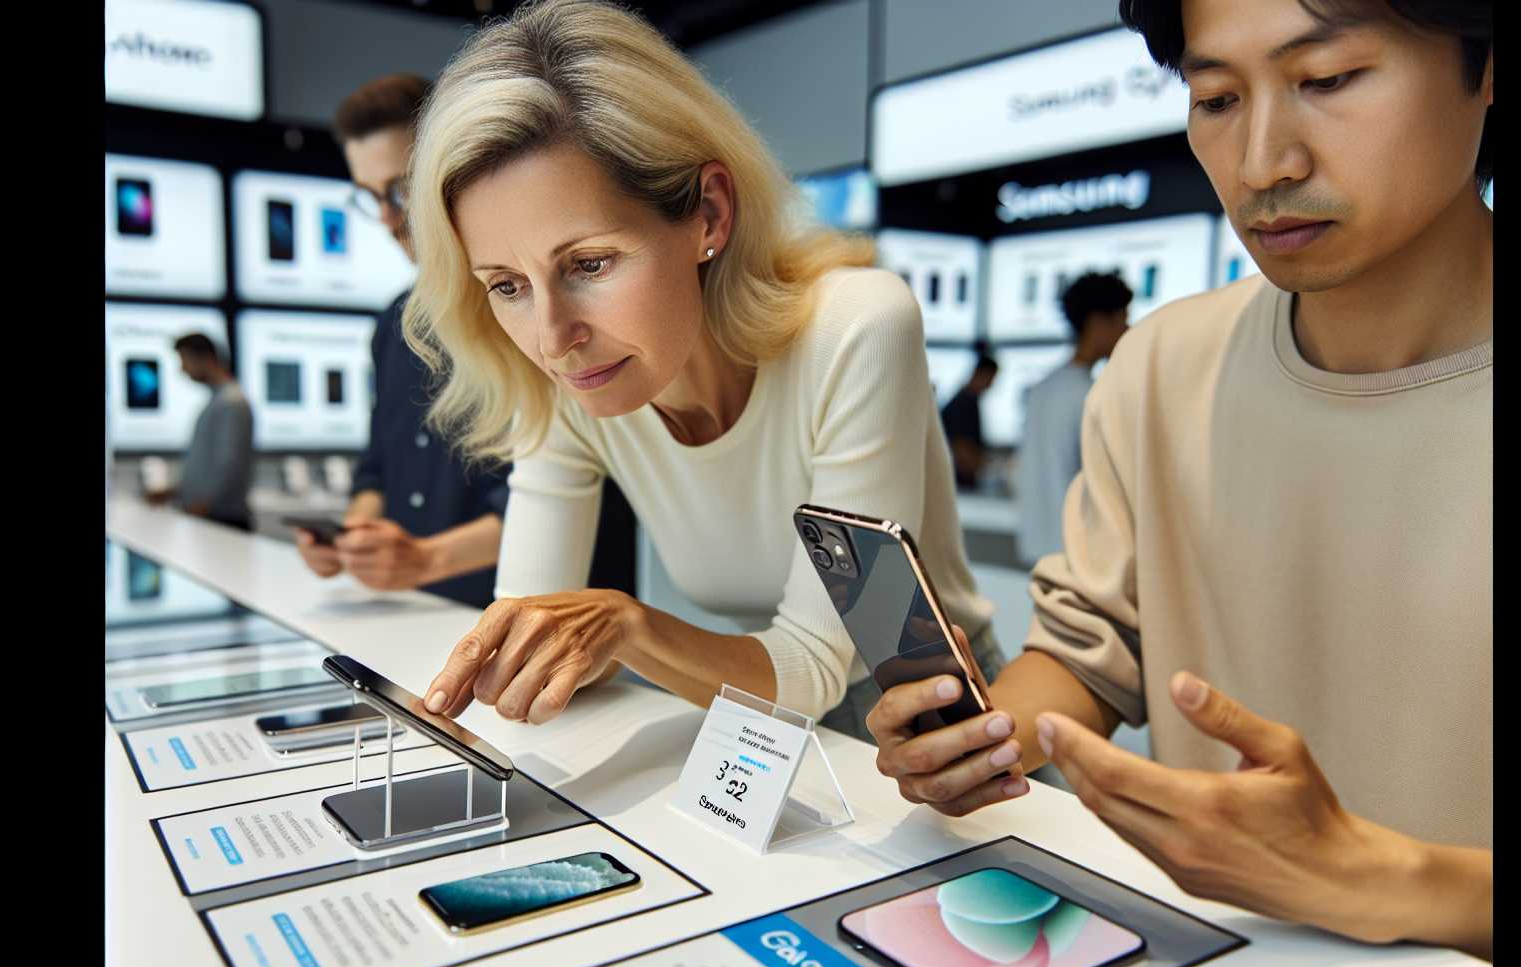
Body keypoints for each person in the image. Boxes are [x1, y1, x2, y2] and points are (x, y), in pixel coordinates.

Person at [865, 0, 1493, 961]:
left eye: (1327, 81)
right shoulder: (1162, 367)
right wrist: (982, 741)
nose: (1262, 163)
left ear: (1484, 69)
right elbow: (1091, 650)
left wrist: (1393, 882)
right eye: (1216, 98)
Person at [404, 0, 999, 734]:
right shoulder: (565, 383)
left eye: (589, 263)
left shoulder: (856, 328)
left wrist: (627, 629)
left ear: (709, 214)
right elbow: (529, 631)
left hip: (947, 731)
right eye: (507, 286)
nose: (553, 338)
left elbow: (820, 665)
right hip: (761, 731)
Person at [294, 72, 638, 609]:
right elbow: (377, 469)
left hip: (553, 619)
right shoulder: (392, 325)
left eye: (400, 190)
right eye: (370, 198)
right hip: (423, 612)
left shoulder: (543, 312)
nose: (388, 218)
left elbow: (579, 489)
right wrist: (355, 538)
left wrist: (428, 556)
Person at [1013, 273, 1131, 564]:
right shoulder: (1091, 395)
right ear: (1097, 322)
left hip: (1037, 547)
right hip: (1076, 554)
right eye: (1121, 320)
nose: (1127, 330)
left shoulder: (1042, 389)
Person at [146, 333, 253, 531]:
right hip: (208, 516)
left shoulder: (233, 403)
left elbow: (230, 465)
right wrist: (175, 492)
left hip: (222, 520)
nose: (183, 369)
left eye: (185, 361)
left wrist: (204, 505)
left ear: (206, 359)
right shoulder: (218, 402)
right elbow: (208, 467)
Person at [939, 349, 998, 490]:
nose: (991, 385)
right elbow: (961, 450)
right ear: (981, 374)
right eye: (991, 379)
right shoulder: (962, 404)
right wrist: (990, 467)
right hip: (958, 485)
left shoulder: (969, 401)